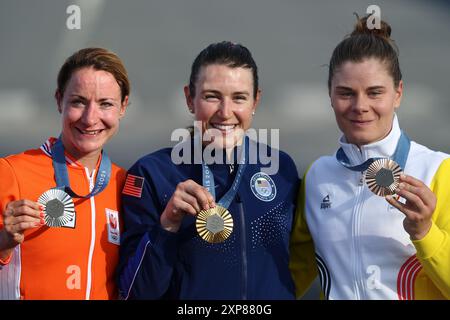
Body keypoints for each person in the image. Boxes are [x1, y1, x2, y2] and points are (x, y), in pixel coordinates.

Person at [118, 41, 299, 299]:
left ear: (255, 101)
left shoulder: (282, 170)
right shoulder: (152, 174)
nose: (225, 113)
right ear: (189, 99)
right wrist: (167, 224)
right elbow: (133, 292)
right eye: (211, 96)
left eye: (239, 97)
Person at [290, 15, 450, 300]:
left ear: (398, 93)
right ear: (329, 95)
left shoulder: (438, 170)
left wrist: (425, 233)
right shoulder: (316, 177)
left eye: (375, 92)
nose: (360, 106)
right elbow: (287, 278)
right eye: (346, 93)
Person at [0, 47, 130, 299]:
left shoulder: (124, 183)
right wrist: (3, 243)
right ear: (59, 100)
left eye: (106, 104)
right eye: (78, 101)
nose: (91, 118)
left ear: (123, 106)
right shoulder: (11, 171)